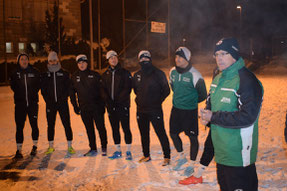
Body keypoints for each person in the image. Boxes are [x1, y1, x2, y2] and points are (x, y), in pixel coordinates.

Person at [189, 37, 263, 191]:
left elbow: (248, 117)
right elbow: (211, 106)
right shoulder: (218, 79)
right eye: (216, 54)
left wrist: (213, 117)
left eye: (224, 53)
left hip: (239, 154)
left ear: (235, 54)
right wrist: (206, 118)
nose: (219, 58)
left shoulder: (247, 80)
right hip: (221, 151)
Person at [169, 47, 207, 176]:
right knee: (173, 134)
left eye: (180, 57)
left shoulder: (195, 74)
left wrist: (190, 101)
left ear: (187, 58)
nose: (177, 59)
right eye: (176, 57)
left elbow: (202, 94)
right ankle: (181, 157)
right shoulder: (172, 72)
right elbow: (173, 87)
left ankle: (191, 164)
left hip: (190, 111)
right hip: (176, 109)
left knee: (192, 137)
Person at [179, 67, 219, 185]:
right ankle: (198, 176)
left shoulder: (228, 86)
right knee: (209, 147)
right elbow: (210, 100)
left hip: (226, 125)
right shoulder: (215, 86)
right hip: (216, 123)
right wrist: (206, 114)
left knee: (221, 151)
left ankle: (235, 179)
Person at [132, 50, 171, 166]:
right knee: (144, 133)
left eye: (146, 58)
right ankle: (146, 155)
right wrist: (140, 100)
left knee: (160, 132)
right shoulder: (137, 75)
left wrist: (157, 101)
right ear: (139, 60)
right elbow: (136, 90)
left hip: (155, 110)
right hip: (141, 110)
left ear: (150, 59)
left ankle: (167, 156)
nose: (144, 60)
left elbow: (166, 90)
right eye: (142, 59)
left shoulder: (158, 73)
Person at [70, 54, 107, 156]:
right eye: (79, 63)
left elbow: (102, 91)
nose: (81, 65)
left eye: (83, 62)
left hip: (97, 107)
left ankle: (104, 147)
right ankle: (93, 148)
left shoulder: (95, 75)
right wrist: (75, 106)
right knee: (89, 129)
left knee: (100, 127)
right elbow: (72, 93)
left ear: (87, 63)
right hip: (84, 108)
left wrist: (103, 105)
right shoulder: (74, 76)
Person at [41, 51, 75, 155]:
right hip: (51, 104)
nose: (53, 62)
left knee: (67, 124)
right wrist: (48, 100)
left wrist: (63, 98)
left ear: (58, 60)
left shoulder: (64, 73)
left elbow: (68, 88)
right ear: (48, 61)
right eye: (50, 60)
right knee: (50, 125)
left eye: (54, 60)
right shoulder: (45, 74)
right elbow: (43, 90)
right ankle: (50, 146)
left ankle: (70, 146)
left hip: (62, 103)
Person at [101, 50, 133, 160]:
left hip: (122, 105)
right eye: (111, 58)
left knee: (126, 128)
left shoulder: (125, 72)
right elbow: (103, 90)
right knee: (115, 129)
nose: (113, 59)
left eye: (115, 57)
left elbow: (127, 88)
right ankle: (118, 150)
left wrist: (118, 101)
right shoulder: (105, 74)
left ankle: (128, 151)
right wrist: (108, 101)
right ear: (108, 60)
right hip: (111, 107)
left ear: (117, 59)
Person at [9, 53, 40, 159]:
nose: (24, 61)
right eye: (22, 59)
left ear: (28, 60)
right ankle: (19, 150)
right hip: (20, 105)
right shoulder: (15, 73)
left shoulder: (34, 72)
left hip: (32, 105)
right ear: (18, 61)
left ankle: (34, 147)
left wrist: (32, 96)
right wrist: (20, 96)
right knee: (19, 127)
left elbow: (38, 85)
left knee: (34, 125)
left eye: (26, 59)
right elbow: (13, 86)